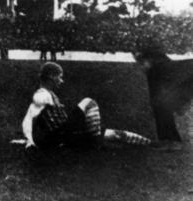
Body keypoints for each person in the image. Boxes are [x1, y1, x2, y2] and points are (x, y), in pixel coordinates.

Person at [22, 62, 151, 152]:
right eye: (60, 77)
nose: (62, 81)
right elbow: (29, 118)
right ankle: (94, 141)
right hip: (61, 134)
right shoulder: (42, 94)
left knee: (116, 134)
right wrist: (30, 141)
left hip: (67, 134)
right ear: (52, 77)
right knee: (88, 102)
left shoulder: (48, 93)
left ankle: (150, 144)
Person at [134, 45, 193, 151]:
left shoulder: (156, 71)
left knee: (159, 104)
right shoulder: (163, 68)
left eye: (140, 62)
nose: (140, 67)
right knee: (161, 103)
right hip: (177, 71)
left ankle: (170, 140)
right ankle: (170, 140)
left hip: (166, 69)